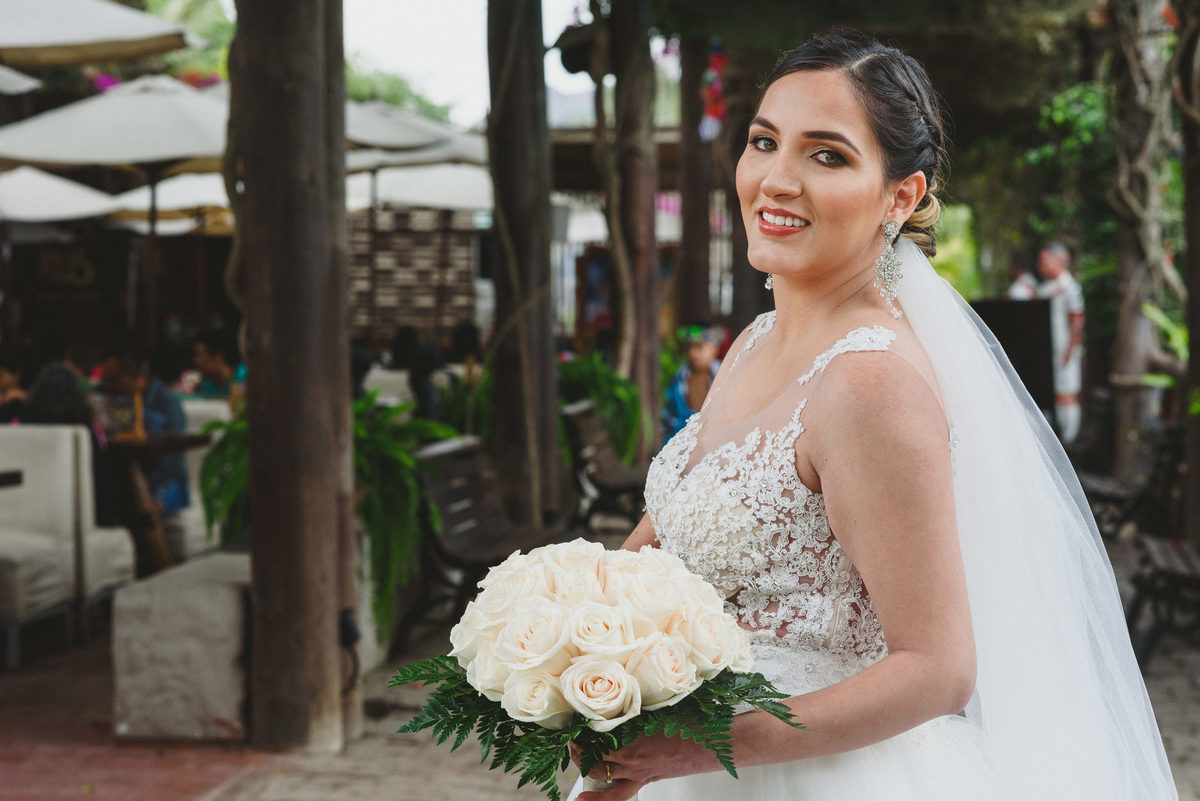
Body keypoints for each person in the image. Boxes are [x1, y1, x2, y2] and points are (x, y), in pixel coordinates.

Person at [568, 32, 1175, 801]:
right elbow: (682, 521)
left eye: (827, 156)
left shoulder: (868, 383)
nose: (775, 180)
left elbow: (939, 669)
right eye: (764, 142)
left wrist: (697, 747)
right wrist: (566, 624)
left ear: (902, 197)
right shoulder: (756, 342)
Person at [1037, 242, 1085, 443]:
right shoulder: (1046, 288)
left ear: (1059, 260)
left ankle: (1069, 438)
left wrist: (1069, 350)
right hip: (1048, 351)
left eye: (1045, 260)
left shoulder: (1069, 287)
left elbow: (1077, 321)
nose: (1041, 265)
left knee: (1066, 394)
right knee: (1052, 394)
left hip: (1063, 351)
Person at [662, 323, 723, 444]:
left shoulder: (725, 376)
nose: (693, 353)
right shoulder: (678, 377)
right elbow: (667, 417)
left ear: (714, 349)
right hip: (680, 442)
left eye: (699, 347)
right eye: (690, 347)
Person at [192, 328, 244, 399]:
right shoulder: (206, 386)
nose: (197, 361)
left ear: (217, 358)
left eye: (200, 355)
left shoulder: (244, 377)